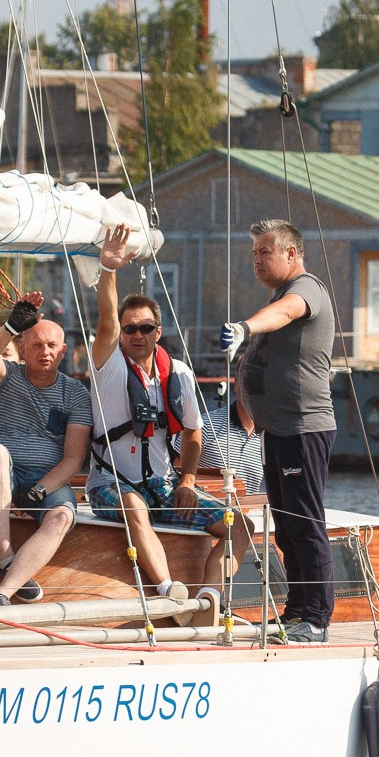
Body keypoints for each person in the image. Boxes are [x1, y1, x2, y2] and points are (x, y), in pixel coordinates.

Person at [86, 225, 242, 600]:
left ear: (158, 331)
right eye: (129, 329)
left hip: (163, 484)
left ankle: (210, 595)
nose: (136, 335)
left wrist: (187, 480)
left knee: (241, 527)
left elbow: (193, 432)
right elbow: (105, 321)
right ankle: (168, 588)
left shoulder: (180, 373)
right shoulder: (107, 365)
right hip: (112, 484)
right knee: (132, 504)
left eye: (145, 328)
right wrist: (109, 269)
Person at [219, 219, 337, 644]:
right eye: (253, 254)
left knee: (305, 523)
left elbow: (285, 313)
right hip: (279, 431)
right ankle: (298, 611)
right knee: (286, 528)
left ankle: (318, 618)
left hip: (303, 427)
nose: (256, 260)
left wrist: (245, 329)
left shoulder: (305, 290)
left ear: (291, 253)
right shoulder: (280, 294)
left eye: (264, 252)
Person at [0, 297, 92, 608]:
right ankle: (4, 554)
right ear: (23, 350)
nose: (45, 352)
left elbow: (73, 459)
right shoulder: (7, 377)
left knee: (63, 515)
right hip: (4, 470)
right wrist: (12, 325)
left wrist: (40, 491)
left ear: (62, 351)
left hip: (47, 478)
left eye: (52, 346)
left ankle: (3, 593)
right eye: (37, 345)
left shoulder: (76, 394)